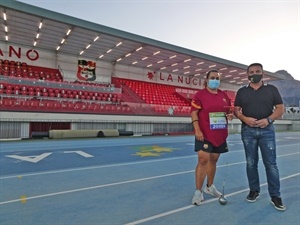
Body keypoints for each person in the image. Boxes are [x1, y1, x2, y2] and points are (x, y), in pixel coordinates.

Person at [234, 63, 286, 211]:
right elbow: (237, 110)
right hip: (248, 131)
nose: (254, 73)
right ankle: (254, 190)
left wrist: (268, 120)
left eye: (258, 71)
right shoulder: (242, 91)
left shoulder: (272, 89)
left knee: (271, 164)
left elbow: (280, 108)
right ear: (247, 74)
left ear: (263, 73)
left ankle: (275, 196)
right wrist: (245, 119)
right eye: (251, 72)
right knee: (251, 163)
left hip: (267, 130)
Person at [191, 69, 233, 205]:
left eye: (217, 78)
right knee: (203, 160)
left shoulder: (224, 96)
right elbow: (194, 113)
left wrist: (230, 116)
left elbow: (228, 112)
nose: (215, 80)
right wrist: (197, 129)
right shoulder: (200, 95)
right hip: (204, 134)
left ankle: (210, 186)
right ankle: (198, 192)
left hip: (219, 134)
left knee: (213, 160)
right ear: (207, 79)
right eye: (212, 77)